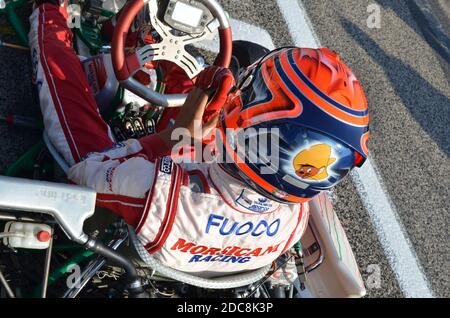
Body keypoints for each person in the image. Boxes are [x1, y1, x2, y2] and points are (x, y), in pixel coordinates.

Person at [30, 1, 369, 276]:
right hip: (204, 205)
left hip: (142, 212)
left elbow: (87, 172)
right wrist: (201, 125)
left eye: (256, 91)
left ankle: (48, 12)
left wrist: (170, 138)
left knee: (62, 75)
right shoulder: (293, 222)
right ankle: (151, 45)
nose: (245, 90)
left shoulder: (153, 189)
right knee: (200, 88)